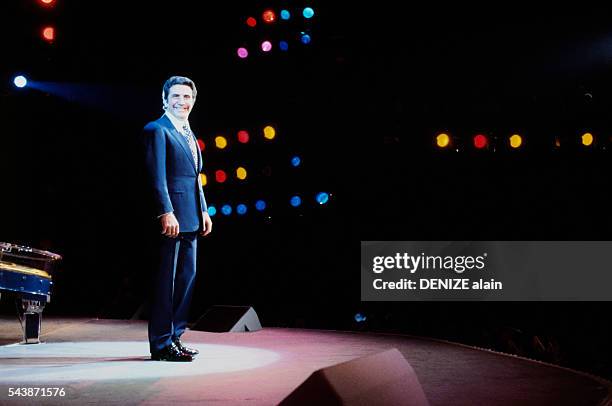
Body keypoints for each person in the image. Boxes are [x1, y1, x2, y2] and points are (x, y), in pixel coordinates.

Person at [142, 76, 213, 362]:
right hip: (171, 217)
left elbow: (195, 177)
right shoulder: (157, 129)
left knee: (186, 279)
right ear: (164, 98)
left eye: (187, 97)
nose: (182, 101)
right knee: (166, 283)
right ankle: (160, 344)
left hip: (193, 216)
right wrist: (165, 211)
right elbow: (156, 177)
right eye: (176, 96)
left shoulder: (188, 132)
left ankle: (176, 337)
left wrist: (204, 209)